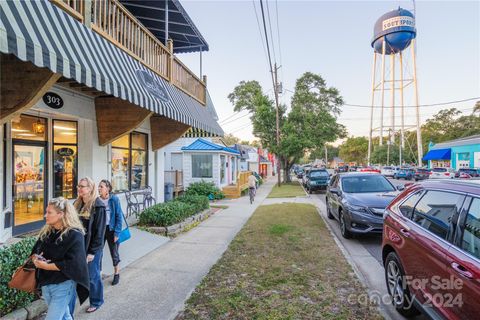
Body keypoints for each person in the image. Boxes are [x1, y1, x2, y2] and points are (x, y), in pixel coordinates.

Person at [32, 197, 89, 320]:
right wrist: (35, 258)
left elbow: (73, 263)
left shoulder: (75, 234)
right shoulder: (47, 232)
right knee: (65, 316)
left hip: (63, 284)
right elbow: (35, 250)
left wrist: (45, 266)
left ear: (61, 214)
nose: (45, 215)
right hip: (46, 283)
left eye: (49, 212)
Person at [72, 177, 106, 314]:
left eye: (82, 186)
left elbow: (100, 232)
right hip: (78, 247)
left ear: (90, 188)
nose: (79, 188)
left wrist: (92, 252)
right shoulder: (77, 203)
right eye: (78, 186)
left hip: (92, 248)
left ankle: (97, 301)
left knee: (92, 276)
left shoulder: (98, 205)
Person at [98, 179, 123, 285]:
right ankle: (98, 274)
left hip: (112, 230)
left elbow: (119, 216)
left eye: (101, 186)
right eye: (99, 186)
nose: (99, 188)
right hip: (101, 229)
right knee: (98, 252)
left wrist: (117, 233)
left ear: (107, 188)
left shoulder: (114, 199)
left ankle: (116, 273)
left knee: (114, 253)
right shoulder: (97, 200)